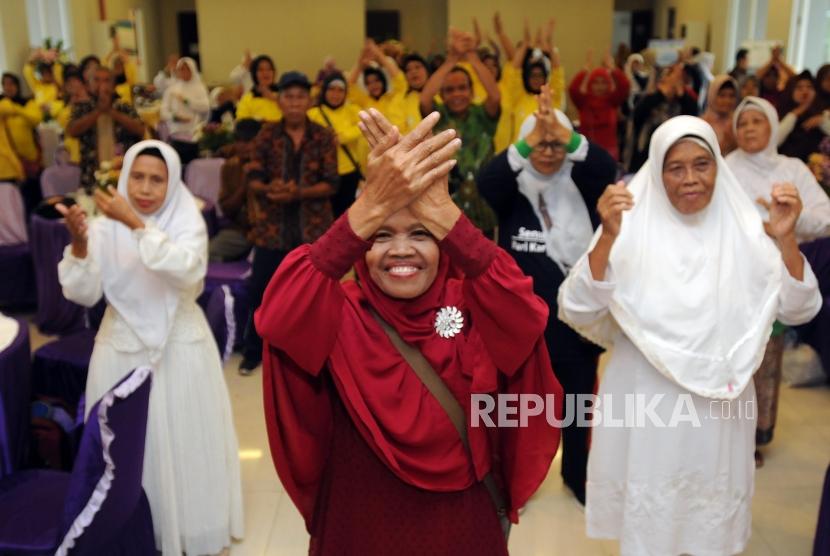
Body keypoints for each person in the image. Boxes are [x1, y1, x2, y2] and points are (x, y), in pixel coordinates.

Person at [257, 108, 562, 555]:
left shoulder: (471, 306)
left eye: (421, 233)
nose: (401, 251)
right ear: (361, 247)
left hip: (459, 522)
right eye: (381, 236)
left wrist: (447, 215)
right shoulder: (339, 313)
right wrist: (370, 204)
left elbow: (526, 315)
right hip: (361, 519)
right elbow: (278, 316)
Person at [558, 115, 822, 555]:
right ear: (657, 172)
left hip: (718, 407)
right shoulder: (628, 227)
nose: (690, 179)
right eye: (675, 168)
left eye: (702, 164)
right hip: (650, 398)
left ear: (719, 166)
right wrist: (606, 237)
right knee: (652, 519)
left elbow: (801, 307)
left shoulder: (745, 230)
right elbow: (576, 307)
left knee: (708, 521)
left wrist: (786, 240)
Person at [56, 140, 244, 555]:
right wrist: (82, 245)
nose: (144, 188)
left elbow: (188, 273)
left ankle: (190, 527)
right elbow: (83, 294)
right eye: (137, 177)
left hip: (181, 349)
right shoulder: (104, 227)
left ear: (172, 182)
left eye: (156, 179)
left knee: (182, 439)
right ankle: (130, 531)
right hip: (120, 348)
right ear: (124, 177)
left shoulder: (187, 221)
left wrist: (138, 226)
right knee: (128, 452)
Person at [478, 85, 617, 504]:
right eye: (541, 144)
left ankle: (576, 476)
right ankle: (518, 480)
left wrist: (566, 134)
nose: (550, 151)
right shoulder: (511, 191)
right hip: (522, 327)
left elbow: (606, 165)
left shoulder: (585, 186)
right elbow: (487, 179)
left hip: (577, 326)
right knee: (519, 412)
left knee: (576, 408)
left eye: (558, 144)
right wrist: (531, 138)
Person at [727, 96, 830, 464]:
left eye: (758, 121)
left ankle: (756, 434)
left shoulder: (792, 169)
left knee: (766, 360)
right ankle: (730, 435)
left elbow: (825, 215)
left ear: (773, 126)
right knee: (733, 356)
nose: (749, 129)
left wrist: (787, 223)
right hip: (734, 278)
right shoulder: (725, 169)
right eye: (743, 123)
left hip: (779, 276)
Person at [238, 71, 338, 374]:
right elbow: (252, 173)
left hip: (313, 229)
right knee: (263, 291)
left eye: (300, 96)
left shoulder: (323, 136)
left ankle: (320, 354)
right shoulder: (266, 135)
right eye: (288, 96)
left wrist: (298, 193)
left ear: (308, 101)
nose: (294, 102)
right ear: (279, 101)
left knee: (318, 293)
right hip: (273, 229)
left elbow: (332, 183)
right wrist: (270, 188)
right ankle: (254, 351)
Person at [420, 29, 501, 192]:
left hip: (483, 192)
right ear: (442, 96)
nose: (457, 94)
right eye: (449, 90)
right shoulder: (439, 117)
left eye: (462, 88)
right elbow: (425, 99)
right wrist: (451, 59)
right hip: (446, 193)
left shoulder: (482, 115)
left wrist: (472, 56)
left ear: (472, 92)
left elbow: (495, 97)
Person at [67, 66, 145, 191]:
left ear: (113, 85)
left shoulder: (124, 106)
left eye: (106, 80)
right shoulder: (82, 108)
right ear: (90, 85)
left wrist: (111, 111)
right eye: (97, 80)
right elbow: (72, 131)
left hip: (122, 174)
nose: (101, 85)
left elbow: (140, 130)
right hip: (92, 174)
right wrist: (98, 111)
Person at [308, 72, 365, 218]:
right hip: (322, 173)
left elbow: (362, 127)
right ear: (324, 91)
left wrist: (341, 137)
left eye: (340, 90)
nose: (336, 94)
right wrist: (324, 138)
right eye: (331, 89)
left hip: (348, 172)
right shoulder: (313, 113)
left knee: (345, 216)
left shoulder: (352, 110)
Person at [627, 63, 698, 172]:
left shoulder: (686, 101)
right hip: (645, 156)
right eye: (670, 77)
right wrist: (662, 95)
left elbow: (691, 121)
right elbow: (637, 118)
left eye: (678, 79)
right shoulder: (649, 99)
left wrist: (681, 94)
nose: (673, 81)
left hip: (676, 154)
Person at [208, 119, 261, 262]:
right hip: (240, 231)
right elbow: (227, 210)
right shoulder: (230, 167)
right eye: (239, 141)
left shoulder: (273, 165)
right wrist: (245, 185)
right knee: (207, 254)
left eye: (249, 141)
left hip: (270, 232)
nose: (243, 146)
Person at [568, 52, 630, 160]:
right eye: (596, 82)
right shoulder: (583, 101)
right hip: (586, 152)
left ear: (609, 84)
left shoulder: (612, 100)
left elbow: (625, 85)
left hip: (609, 152)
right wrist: (585, 71)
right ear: (590, 84)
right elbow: (573, 89)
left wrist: (613, 69)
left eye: (603, 83)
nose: (600, 86)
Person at [160, 57, 210, 168]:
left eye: (187, 69)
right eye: (181, 69)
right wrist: (175, 117)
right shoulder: (172, 90)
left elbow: (205, 107)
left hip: (194, 135)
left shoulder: (199, 88)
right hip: (176, 135)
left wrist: (187, 101)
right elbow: (164, 111)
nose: (184, 72)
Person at [347, 39, 406, 126]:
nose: (373, 85)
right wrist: (360, 64)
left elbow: (399, 79)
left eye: (376, 80)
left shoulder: (392, 98)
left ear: (383, 81)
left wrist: (378, 55)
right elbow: (349, 86)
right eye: (369, 83)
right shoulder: (364, 102)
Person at [778, 69, 830, 161]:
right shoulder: (781, 113)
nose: (805, 91)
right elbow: (776, 141)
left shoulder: (822, 114)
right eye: (799, 88)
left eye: (809, 87)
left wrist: (823, 121)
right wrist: (798, 111)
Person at [236, 55, 282, 122]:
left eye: (269, 69)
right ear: (254, 74)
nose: (266, 73)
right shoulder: (248, 98)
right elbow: (241, 123)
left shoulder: (284, 93)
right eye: (261, 70)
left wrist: (275, 99)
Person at [701, 75, 739, 155]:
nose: (727, 100)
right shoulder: (701, 125)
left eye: (731, 96)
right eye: (722, 95)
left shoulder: (740, 122)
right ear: (712, 95)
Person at [396, 53, 430, 133]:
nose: (413, 72)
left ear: (427, 71)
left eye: (417, 67)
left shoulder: (442, 93)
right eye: (408, 70)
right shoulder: (400, 101)